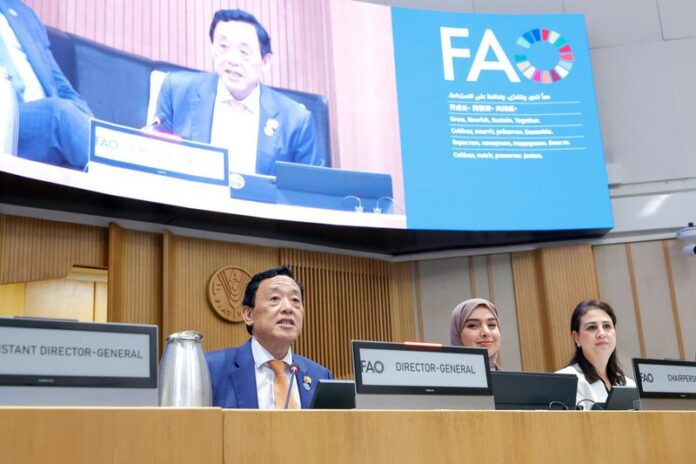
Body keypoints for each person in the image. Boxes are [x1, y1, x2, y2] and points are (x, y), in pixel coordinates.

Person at [154, 9, 323, 176]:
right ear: (213, 50)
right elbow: (156, 163)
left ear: (265, 62)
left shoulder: (296, 120)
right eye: (223, 47)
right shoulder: (177, 91)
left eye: (244, 52)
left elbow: (309, 187)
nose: (232, 60)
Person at [205, 265, 331, 408]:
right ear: (248, 314)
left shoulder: (320, 376)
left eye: (295, 300)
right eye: (275, 298)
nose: (288, 308)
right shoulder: (211, 369)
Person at [0, 0, 91, 169]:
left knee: (84, 151)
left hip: (46, 119)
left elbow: (61, 86)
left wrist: (93, 127)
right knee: (58, 114)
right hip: (7, 116)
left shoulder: (23, 13)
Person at [556, 299, 635, 409]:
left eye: (607, 326)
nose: (601, 333)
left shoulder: (629, 385)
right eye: (592, 327)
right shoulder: (565, 381)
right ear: (576, 337)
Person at [449, 298, 502, 370]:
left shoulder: (510, 377)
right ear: (457, 333)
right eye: (473, 325)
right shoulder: (442, 376)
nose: (486, 332)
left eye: (491, 325)